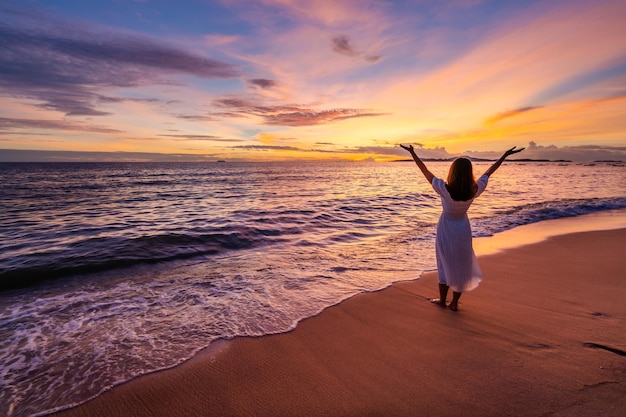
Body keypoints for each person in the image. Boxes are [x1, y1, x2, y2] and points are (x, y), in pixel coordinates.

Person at [400, 144, 524, 311]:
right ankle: (454, 303)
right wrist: (505, 155)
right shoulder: (474, 189)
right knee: (461, 264)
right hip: (463, 228)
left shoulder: (444, 189)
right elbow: (489, 171)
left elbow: (425, 171)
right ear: (468, 173)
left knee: (444, 263)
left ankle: (443, 301)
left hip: (446, 228)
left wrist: (413, 153)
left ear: (453, 172)